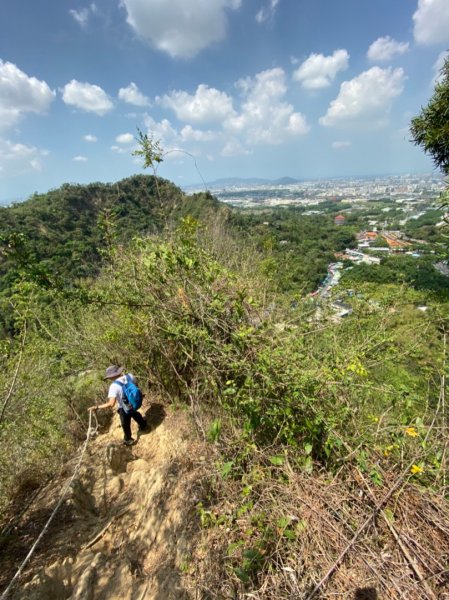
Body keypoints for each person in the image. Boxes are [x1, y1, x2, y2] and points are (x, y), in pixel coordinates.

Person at [89, 365, 147, 446]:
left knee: (125, 424)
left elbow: (111, 404)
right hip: (134, 402)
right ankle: (144, 425)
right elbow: (136, 386)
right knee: (135, 413)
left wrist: (97, 407)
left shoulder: (113, 386)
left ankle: (128, 439)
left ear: (111, 376)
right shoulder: (130, 376)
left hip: (124, 407)